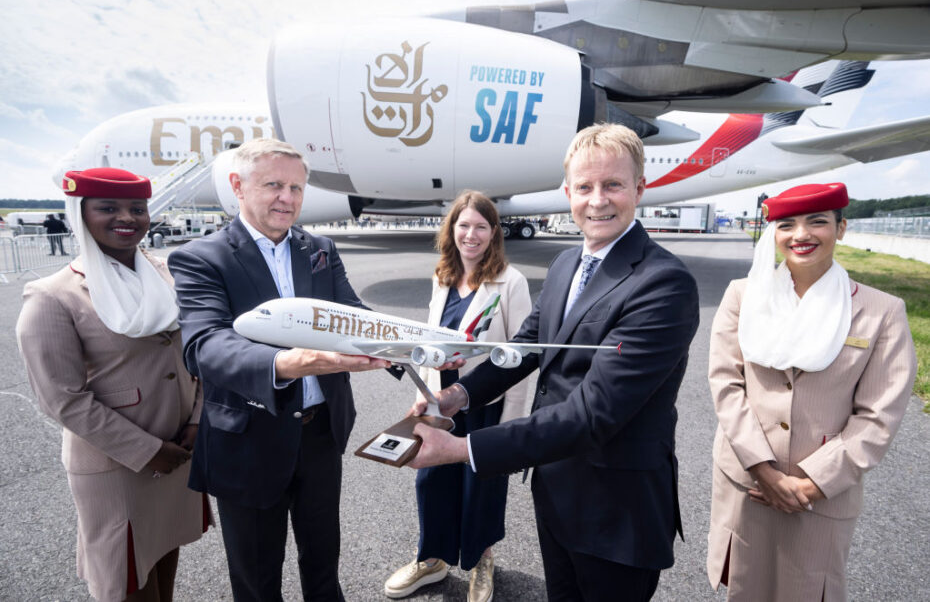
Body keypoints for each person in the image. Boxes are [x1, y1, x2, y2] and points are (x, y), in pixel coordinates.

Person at [407, 124, 700, 601]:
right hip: (557, 490)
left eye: (613, 185)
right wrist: (457, 395)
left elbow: (592, 412)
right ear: (568, 193)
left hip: (617, 513)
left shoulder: (663, 283)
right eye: (584, 187)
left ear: (640, 189)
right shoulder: (566, 264)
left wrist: (461, 450)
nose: (597, 200)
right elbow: (524, 348)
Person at [167, 138, 391, 601]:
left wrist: (419, 346)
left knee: (324, 560)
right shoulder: (201, 257)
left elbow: (354, 315)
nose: (287, 198)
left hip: (319, 435)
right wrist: (285, 364)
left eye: (296, 187)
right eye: (273, 185)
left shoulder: (319, 248)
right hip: (247, 439)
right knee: (256, 577)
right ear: (238, 186)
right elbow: (206, 344)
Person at [705, 182, 917, 601]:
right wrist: (763, 470)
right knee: (744, 589)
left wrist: (812, 483)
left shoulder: (881, 311)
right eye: (787, 225)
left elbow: (879, 414)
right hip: (747, 479)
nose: (801, 235)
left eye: (817, 222)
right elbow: (726, 384)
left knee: (808, 589)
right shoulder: (743, 296)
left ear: (841, 228)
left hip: (820, 494)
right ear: (774, 234)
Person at [16, 168, 211, 601]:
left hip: (179, 447)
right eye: (107, 208)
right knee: (124, 580)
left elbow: (193, 357)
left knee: (163, 559)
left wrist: (198, 419)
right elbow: (61, 400)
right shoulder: (53, 295)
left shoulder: (164, 274)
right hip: (118, 465)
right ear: (79, 214)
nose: (127, 217)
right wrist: (148, 451)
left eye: (137, 208)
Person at [384, 191, 532, 601]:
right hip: (439, 401)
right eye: (463, 225)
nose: (471, 234)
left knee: (479, 486)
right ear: (451, 230)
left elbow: (520, 358)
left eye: (481, 226)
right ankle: (432, 559)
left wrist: (513, 425)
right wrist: (422, 392)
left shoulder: (511, 281)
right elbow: (435, 342)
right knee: (431, 481)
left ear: (493, 233)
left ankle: (481, 561)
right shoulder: (443, 275)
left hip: (487, 405)